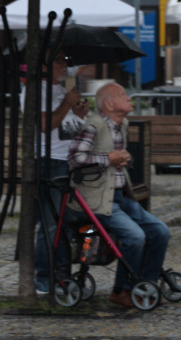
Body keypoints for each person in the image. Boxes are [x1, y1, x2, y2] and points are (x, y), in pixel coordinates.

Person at [68, 83, 170, 308]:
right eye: (123, 95)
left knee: (160, 231)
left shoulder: (122, 124)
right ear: (109, 104)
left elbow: (117, 158)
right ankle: (122, 289)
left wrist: (123, 159)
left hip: (120, 196)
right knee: (135, 237)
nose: (129, 98)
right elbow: (75, 158)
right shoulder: (93, 126)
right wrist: (109, 159)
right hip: (98, 200)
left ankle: (146, 283)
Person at [22, 50, 89, 294]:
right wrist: (67, 104)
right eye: (61, 61)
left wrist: (78, 115)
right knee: (51, 223)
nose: (65, 65)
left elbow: (63, 127)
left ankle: (61, 274)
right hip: (49, 162)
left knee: (63, 222)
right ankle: (44, 278)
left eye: (66, 60)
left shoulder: (61, 90)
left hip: (67, 161)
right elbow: (44, 125)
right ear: (45, 65)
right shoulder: (35, 91)